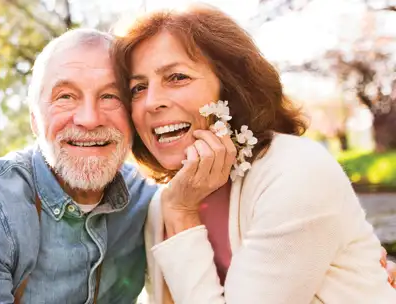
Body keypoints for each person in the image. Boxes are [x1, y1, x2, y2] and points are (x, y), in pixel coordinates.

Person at [111, 4, 396, 304]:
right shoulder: (164, 201)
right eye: (137, 88)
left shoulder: (295, 172)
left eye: (177, 77)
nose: (151, 102)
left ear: (231, 87)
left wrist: (182, 216)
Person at [0, 28, 158, 303]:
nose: (89, 119)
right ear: (34, 120)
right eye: (65, 96)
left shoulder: (148, 198)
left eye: (111, 96)